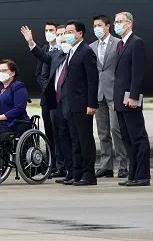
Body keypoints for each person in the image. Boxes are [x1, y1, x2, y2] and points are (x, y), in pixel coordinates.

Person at [23, 23, 70, 179]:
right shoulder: (53, 53)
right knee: (54, 133)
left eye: (62, 33)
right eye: (58, 34)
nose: (59, 37)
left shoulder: (74, 52)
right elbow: (42, 66)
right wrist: (31, 42)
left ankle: (69, 167)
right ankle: (58, 165)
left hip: (68, 100)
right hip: (51, 98)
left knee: (67, 134)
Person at [55, 21, 99, 186]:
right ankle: (77, 173)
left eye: (70, 31)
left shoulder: (86, 52)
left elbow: (92, 80)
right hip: (71, 104)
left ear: (80, 33)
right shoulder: (71, 52)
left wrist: (92, 103)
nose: (67, 35)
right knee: (75, 140)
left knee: (85, 139)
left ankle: (89, 175)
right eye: (66, 32)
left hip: (83, 105)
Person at [113, 12, 151, 187]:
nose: (117, 24)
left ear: (129, 23)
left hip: (130, 98)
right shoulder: (121, 44)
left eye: (120, 21)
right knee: (127, 138)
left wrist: (134, 96)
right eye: (115, 21)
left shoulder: (136, 43)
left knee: (138, 137)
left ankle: (142, 175)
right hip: (120, 99)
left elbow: (137, 74)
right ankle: (133, 174)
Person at [90, 15, 127, 178]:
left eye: (99, 25)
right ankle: (106, 165)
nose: (97, 28)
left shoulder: (118, 44)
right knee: (103, 132)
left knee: (115, 129)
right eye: (94, 26)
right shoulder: (91, 47)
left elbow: (122, 70)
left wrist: (120, 95)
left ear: (108, 26)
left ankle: (123, 164)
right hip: (98, 94)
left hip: (113, 94)